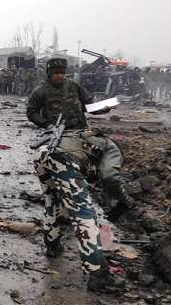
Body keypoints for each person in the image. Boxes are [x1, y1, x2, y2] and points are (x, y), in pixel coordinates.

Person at [27, 58, 133, 293]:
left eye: (63, 73)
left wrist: (100, 108)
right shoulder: (41, 91)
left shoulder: (74, 87)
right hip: (55, 144)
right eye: (56, 73)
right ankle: (97, 273)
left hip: (47, 153)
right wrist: (47, 124)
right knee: (84, 213)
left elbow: (89, 104)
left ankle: (52, 243)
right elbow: (31, 112)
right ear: (49, 73)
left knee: (53, 199)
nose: (60, 76)